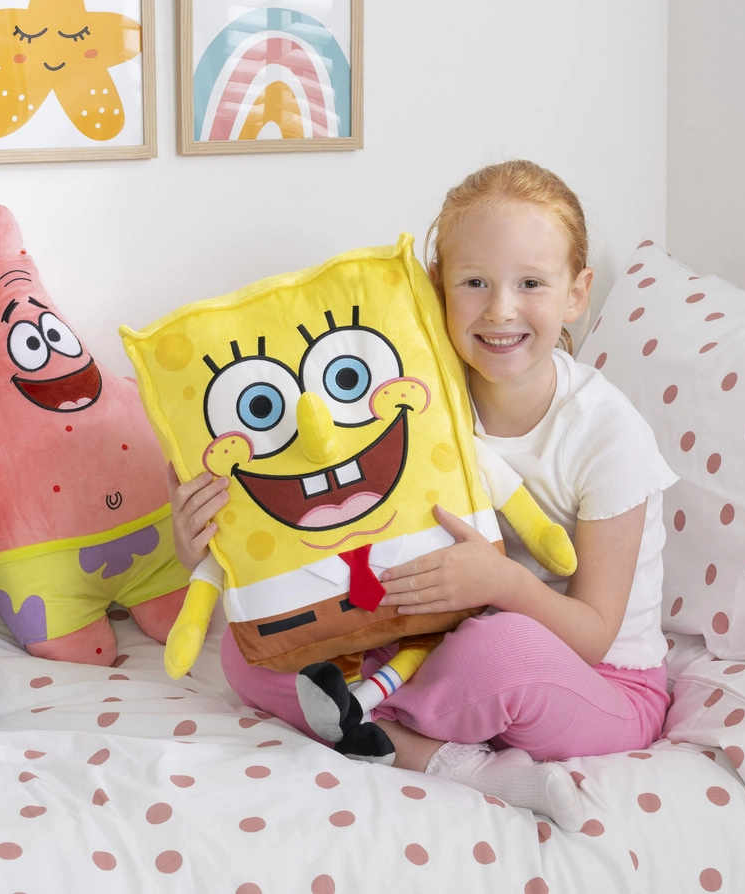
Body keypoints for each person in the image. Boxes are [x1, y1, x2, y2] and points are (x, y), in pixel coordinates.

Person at [166, 160, 677, 830]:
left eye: (530, 283)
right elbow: (326, 532)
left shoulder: (607, 433)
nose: (500, 309)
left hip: (598, 682)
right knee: (252, 650)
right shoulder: (414, 395)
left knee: (498, 648)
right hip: (434, 641)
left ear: (576, 293)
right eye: (474, 282)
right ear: (436, 288)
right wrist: (202, 547)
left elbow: (593, 634)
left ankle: (369, 724)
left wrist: (500, 582)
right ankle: (440, 757)